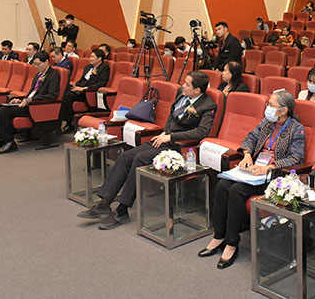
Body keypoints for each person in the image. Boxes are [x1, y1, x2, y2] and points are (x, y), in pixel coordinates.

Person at [79, 71, 217, 229]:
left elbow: (201, 132)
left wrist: (171, 136)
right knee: (125, 157)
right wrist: (165, 132)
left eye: (187, 84)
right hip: (163, 140)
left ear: (197, 90)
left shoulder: (207, 105)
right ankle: (104, 203)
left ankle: (122, 210)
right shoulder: (182, 95)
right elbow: (171, 118)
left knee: (140, 159)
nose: (182, 86)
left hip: (179, 147)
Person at [199, 91, 304, 268]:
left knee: (236, 190)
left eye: (271, 105)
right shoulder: (267, 122)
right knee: (222, 185)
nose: (267, 108)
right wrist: (247, 155)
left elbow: (296, 158)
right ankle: (219, 236)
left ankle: (232, 243)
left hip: (274, 176)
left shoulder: (296, 129)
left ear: (283, 110)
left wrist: (269, 167)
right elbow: (250, 138)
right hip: (254, 170)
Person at [0, 51, 60, 155]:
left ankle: (9, 142)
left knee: (4, 111)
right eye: (35, 64)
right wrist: (21, 99)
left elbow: (52, 95)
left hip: (36, 106)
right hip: (28, 103)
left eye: (38, 64)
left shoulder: (53, 75)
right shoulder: (38, 75)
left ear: (47, 61)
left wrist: (30, 100)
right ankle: (0, 139)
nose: (36, 67)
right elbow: (32, 92)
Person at [58, 48, 111, 132]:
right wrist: (75, 85)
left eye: (93, 57)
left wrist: (83, 88)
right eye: (90, 56)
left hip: (88, 92)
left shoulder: (104, 68)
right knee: (62, 92)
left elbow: (101, 83)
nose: (90, 58)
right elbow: (82, 79)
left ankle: (69, 123)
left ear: (99, 58)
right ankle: (59, 121)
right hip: (80, 88)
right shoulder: (88, 67)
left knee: (67, 97)